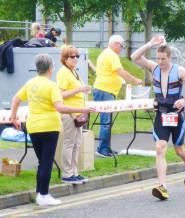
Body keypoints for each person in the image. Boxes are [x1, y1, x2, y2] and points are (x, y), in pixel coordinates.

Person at [10, 54, 94, 206]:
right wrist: (83, 108)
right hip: (49, 127)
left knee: (43, 162)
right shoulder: (51, 86)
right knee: (46, 163)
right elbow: (60, 107)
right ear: (50, 69)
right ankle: (43, 194)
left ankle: (40, 193)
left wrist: (13, 117)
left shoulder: (30, 83)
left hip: (33, 126)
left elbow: (16, 99)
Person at [131, 35, 185, 200]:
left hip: (176, 115)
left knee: (178, 150)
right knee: (160, 147)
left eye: (163, 59)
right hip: (161, 113)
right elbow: (134, 57)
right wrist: (150, 44)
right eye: (158, 58)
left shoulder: (179, 70)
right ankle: (162, 186)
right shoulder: (153, 68)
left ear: (169, 58)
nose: (160, 62)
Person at [93, 34, 142, 157]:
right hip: (105, 91)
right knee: (106, 122)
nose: (122, 48)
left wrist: (121, 81)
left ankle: (106, 147)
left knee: (107, 121)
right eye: (121, 46)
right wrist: (134, 80)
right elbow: (120, 71)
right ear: (115, 44)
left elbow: (111, 73)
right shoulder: (112, 55)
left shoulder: (105, 54)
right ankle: (102, 149)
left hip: (103, 89)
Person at [56, 46, 91, 184]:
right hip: (69, 113)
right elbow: (60, 94)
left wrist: (83, 90)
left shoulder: (73, 71)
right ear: (65, 58)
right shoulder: (63, 72)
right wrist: (79, 89)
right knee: (69, 143)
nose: (76, 58)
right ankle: (67, 173)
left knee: (77, 143)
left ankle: (74, 172)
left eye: (77, 56)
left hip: (78, 113)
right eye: (72, 56)